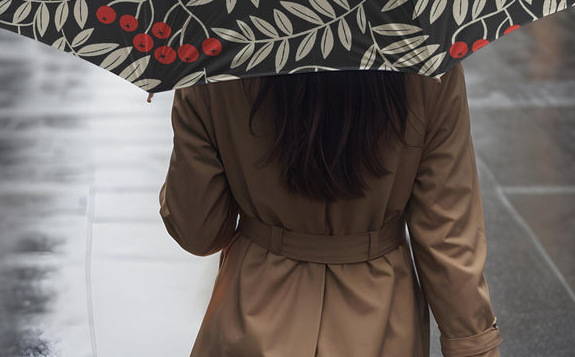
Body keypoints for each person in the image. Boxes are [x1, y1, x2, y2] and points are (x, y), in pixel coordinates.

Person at [160, 66, 502, 357]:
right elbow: (448, 235)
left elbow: (198, 230)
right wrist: (476, 345)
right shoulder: (427, 62)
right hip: (382, 321)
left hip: (250, 310)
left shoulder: (214, 59)